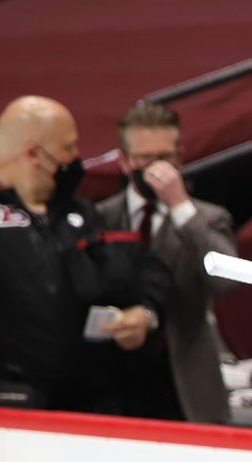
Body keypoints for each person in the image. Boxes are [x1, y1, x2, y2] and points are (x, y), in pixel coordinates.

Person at [0, 95, 169, 438]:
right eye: (68, 148)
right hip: (11, 411)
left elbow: (144, 268)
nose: (75, 159)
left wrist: (145, 313)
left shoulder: (80, 214)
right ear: (33, 153)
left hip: (90, 408)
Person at [96, 101, 239, 424]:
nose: (154, 170)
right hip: (114, 385)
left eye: (164, 158)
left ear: (180, 156)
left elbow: (227, 281)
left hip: (185, 387)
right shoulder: (100, 217)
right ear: (123, 162)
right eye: (144, 159)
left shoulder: (207, 219)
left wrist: (180, 207)